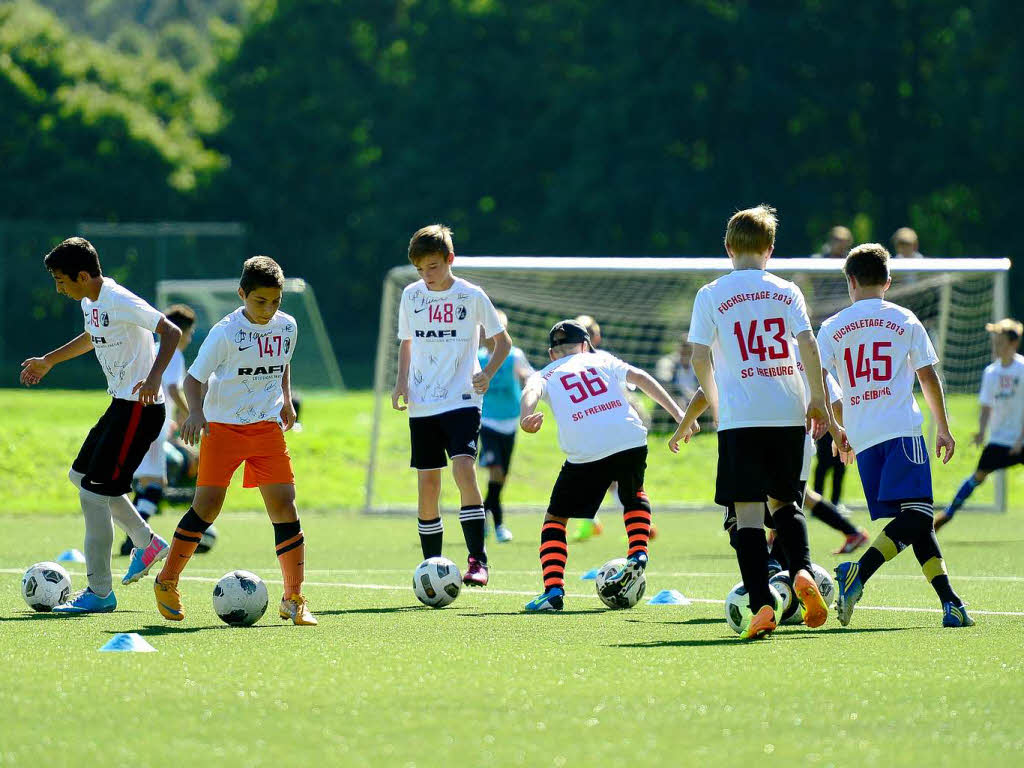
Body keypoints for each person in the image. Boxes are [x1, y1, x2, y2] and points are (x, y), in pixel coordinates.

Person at [677, 204, 836, 640]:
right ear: (771, 248)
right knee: (786, 503)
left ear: (728, 248)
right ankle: (801, 571)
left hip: (740, 418)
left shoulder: (711, 293)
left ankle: (763, 605)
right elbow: (807, 344)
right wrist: (817, 400)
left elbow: (698, 355)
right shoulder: (787, 291)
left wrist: (715, 401)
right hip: (786, 412)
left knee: (747, 515)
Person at [153, 256, 317, 625]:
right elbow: (193, 380)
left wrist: (287, 398)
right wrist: (195, 413)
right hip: (222, 429)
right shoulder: (225, 333)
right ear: (242, 294)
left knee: (285, 506)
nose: (268, 309)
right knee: (207, 507)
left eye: (275, 302)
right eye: (260, 301)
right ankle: (167, 581)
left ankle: (294, 598)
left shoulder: (287, 326)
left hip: (265, 429)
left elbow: (282, 361)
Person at [20, 237, 179, 613]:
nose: (58, 288)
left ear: (82, 275)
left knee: (93, 494)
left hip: (140, 409)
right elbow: (93, 338)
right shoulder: (89, 302)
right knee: (81, 478)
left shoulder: (118, 298)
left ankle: (100, 592)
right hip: (120, 406)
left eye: (61, 280)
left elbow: (169, 331)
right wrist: (49, 360)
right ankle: (146, 541)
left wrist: (155, 378)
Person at [820, 244, 973, 628]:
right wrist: (943, 427)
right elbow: (927, 376)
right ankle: (860, 571)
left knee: (915, 518)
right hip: (901, 430)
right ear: (888, 281)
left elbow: (817, 377)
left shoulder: (832, 326)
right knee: (919, 514)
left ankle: (951, 603)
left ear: (850, 281)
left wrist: (837, 429)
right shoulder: (904, 318)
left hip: (862, 436)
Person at [519, 320, 685, 611]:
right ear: (585, 345)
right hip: (630, 437)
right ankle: (638, 553)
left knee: (555, 521)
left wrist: (526, 416)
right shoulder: (602, 358)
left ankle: (553, 591)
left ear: (551, 353)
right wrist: (680, 414)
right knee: (633, 494)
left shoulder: (545, 372)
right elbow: (642, 377)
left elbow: (529, 391)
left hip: (586, 448)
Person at [392, 225, 511, 587]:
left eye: (432, 267)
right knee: (428, 485)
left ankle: (478, 561)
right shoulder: (412, 296)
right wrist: (400, 382)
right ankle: (433, 567)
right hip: (422, 402)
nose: (426, 276)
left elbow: (502, 342)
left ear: (449, 260)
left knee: (464, 471)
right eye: (420, 270)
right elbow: (407, 342)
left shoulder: (471, 296)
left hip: (462, 400)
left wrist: (487, 373)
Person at [119, 303, 197, 556]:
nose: (190, 338)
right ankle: (134, 536)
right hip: (153, 422)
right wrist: (193, 414)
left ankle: (133, 532)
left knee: (148, 481)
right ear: (182, 331)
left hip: (141, 419)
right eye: (190, 332)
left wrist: (174, 422)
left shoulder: (153, 349)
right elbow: (173, 389)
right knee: (154, 484)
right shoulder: (173, 351)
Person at [934, 318, 1024, 531]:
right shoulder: (991, 373)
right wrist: (981, 432)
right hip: (1000, 439)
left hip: (1022, 438)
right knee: (978, 476)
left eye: (1000, 342)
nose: (996, 346)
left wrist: (1020, 440)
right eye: (995, 342)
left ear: (1013, 344)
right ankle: (946, 515)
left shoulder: (1022, 369)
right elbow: (986, 406)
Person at [478, 310, 534, 542]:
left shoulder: (514, 355)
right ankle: (498, 525)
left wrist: (527, 381)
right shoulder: (477, 357)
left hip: (510, 422)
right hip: (487, 421)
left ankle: (480, 515)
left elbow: (530, 376)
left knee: (501, 477)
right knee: (496, 470)